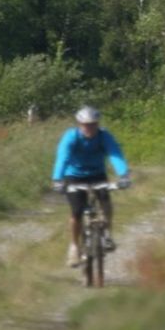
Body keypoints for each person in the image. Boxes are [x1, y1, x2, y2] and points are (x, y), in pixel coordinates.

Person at [51, 105, 131, 267]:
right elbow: (63, 158)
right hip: (74, 176)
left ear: (98, 124)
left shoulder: (104, 136)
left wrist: (123, 174)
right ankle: (74, 247)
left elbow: (115, 154)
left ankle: (108, 234)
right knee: (76, 212)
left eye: (93, 124)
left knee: (106, 202)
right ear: (79, 124)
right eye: (86, 124)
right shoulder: (71, 137)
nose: (90, 128)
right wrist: (58, 179)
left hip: (97, 174)